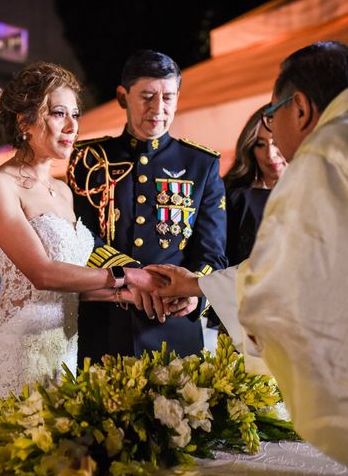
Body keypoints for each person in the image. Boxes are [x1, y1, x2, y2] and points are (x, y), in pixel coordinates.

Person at [148, 41, 348, 466]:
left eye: (271, 116)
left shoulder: (326, 153)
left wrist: (208, 290)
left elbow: (287, 277)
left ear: (300, 108)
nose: (272, 135)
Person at [0, 62, 163, 406]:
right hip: (19, 343)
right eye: (59, 113)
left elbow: (75, 281)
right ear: (24, 121)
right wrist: (126, 275)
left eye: (75, 114)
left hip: (64, 342)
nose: (72, 126)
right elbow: (43, 273)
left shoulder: (64, 191)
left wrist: (132, 292)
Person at [68, 50, 228, 365]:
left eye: (168, 97)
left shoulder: (201, 164)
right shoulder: (89, 159)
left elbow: (212, 251)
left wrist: (194, 297)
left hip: (174, 329)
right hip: (104, 325)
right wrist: (133, 275)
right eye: (147, 97)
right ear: (122, 97)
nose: (158, 109)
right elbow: (79, 235)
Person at [222, 106, 287, 265]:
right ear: (250, 148)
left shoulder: (317, 189)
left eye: (276, 143)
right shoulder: (235, 198)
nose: (270, 155)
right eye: (260, 144)